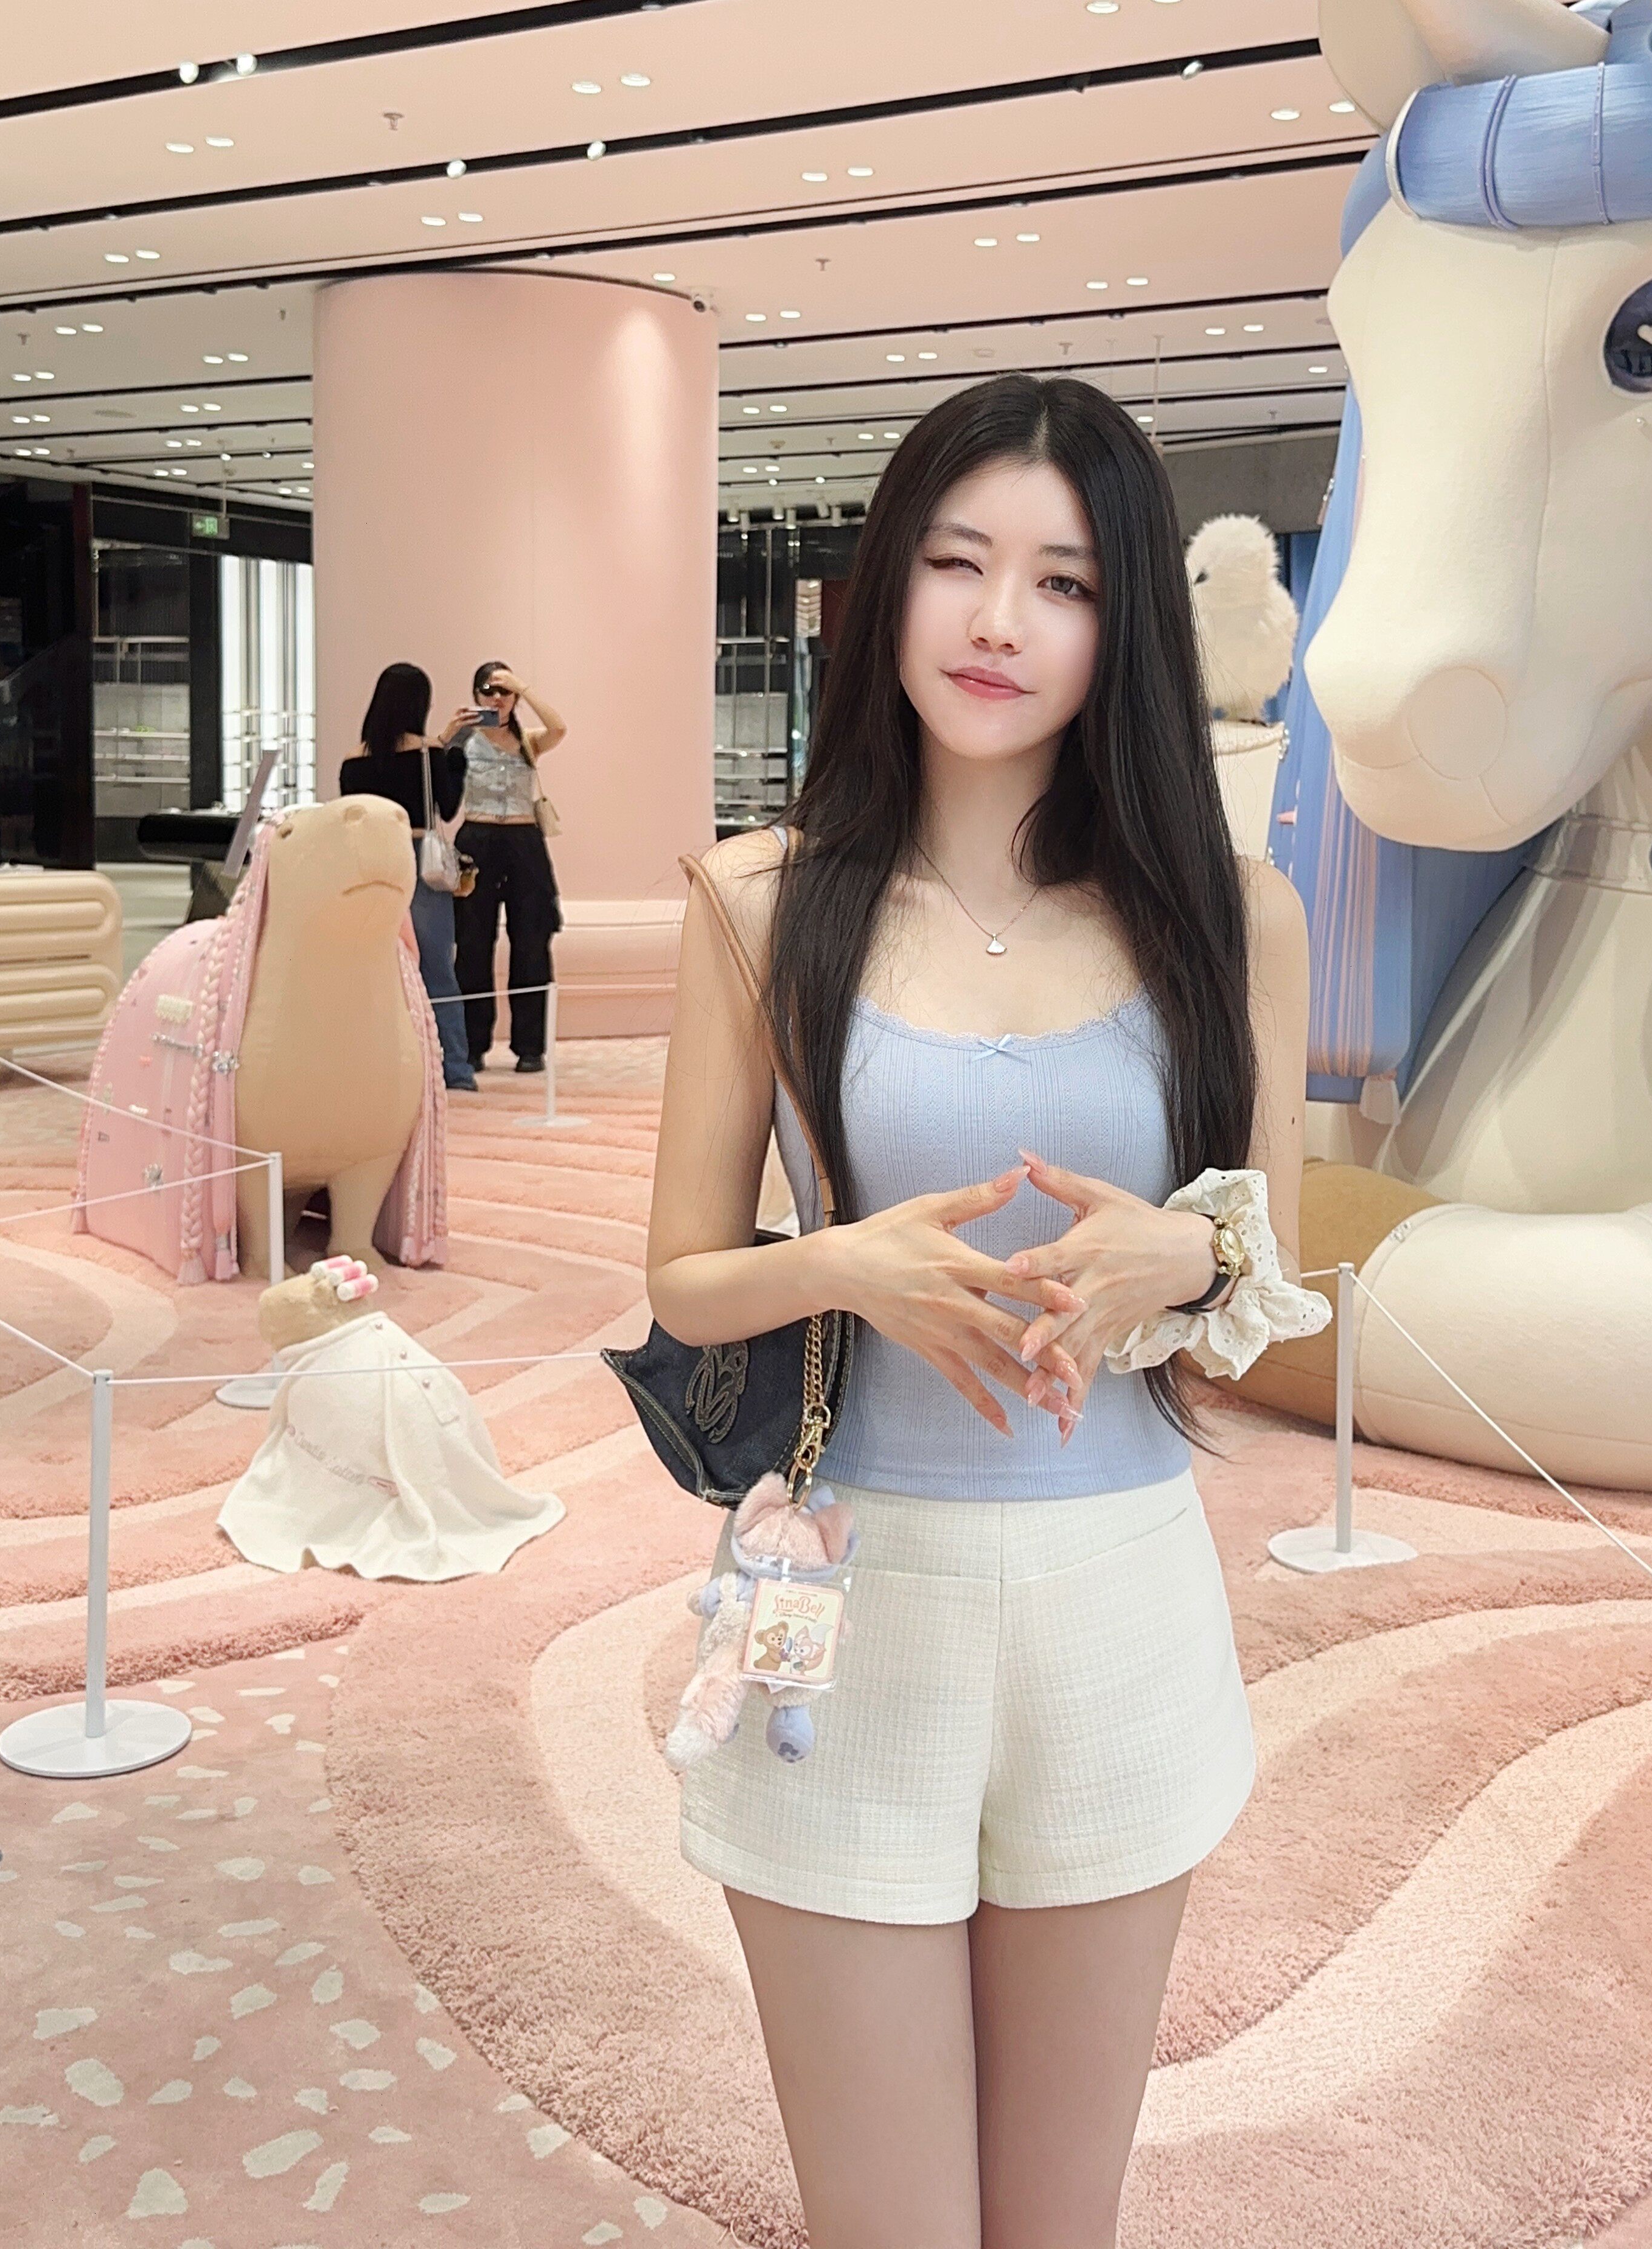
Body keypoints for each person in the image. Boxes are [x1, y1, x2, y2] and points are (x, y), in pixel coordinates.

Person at [646, 375, 1310, 2249]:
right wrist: (840, 1262)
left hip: (1122, 1607)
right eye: (957, 563)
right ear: (886, 590)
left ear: (1126, 625)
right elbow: (681, 1276)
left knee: (1058, 2221)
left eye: (1063, 582)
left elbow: (1268, 1265)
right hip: (851, 1607)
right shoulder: (763, 900)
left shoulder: (1231, 913)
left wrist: (1186, 1256)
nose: (1000, 620)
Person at [339, 661, 476, 1094]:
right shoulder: (428, 754)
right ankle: (454, 1068)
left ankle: (383, 1066)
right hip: (418, 860)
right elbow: (447, 809)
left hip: (372, 863)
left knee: (377, 966)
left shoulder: (353, 760)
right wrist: (455, 758)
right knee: (437, 968)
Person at [452, 661, 567, 1075]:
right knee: (472, 943)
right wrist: (452, 731)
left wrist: (524, 688)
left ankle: (530, 1047)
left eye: (505, 691)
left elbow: (559, 728)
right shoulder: (465, 739)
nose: (497, 698)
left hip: (523, 842)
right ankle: (472, 1044)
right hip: (477, 839)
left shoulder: (527, 739)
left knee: (532, 941)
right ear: (476, 695)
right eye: (489, 690)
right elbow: (438, 765)